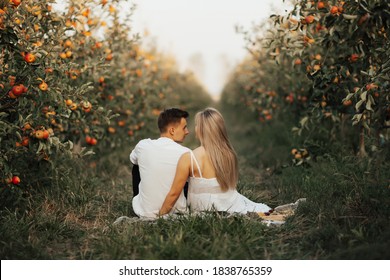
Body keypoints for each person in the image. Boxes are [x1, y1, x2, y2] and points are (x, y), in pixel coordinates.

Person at [159, 107, 272, 216]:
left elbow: (174, 193)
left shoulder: (190, 157)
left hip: (202, 207)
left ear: (202, 129)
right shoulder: (229, 154)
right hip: (229, 204)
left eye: (197, 125)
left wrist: (160, 215)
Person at [130, 108, 190, 218]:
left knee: (137, 165)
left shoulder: (143, 145)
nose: (187, 131)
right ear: (172, 130)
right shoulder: (186, 153)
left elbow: (133, 160)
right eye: (184, 127)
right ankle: (179, 205)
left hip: (144, 212)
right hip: (176, 212)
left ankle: (146, 204)